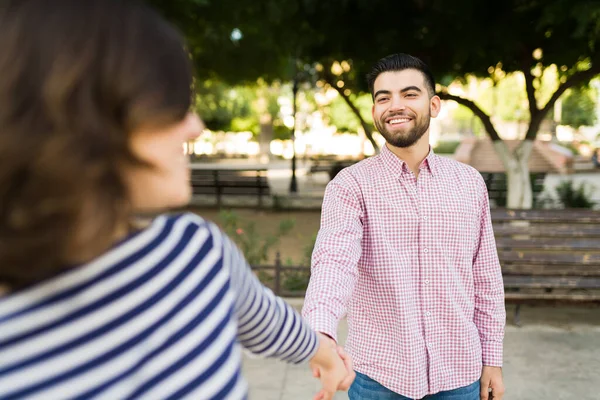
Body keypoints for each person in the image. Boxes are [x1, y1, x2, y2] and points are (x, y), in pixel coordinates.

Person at [0, 1, 353, 399]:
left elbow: (272, 326)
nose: (195, 126)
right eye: (170, 102)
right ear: (81, 116)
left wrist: (326, 355)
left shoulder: (195, 251)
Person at [302, 53, 506, 400]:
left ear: (434, 104)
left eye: (409, 94)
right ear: (374, 112)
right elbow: (333, 262)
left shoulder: (469, 183)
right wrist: (321, 332)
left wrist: (493, 359)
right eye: (384, 98)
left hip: (459, 376)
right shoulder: (350, 186)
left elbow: (485, 277)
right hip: (377, 380)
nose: (395, 105)